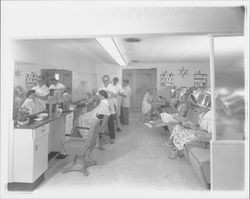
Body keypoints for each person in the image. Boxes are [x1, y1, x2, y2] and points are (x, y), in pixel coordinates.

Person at [97, 75, 116, 144]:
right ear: (102, 80)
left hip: (110, 108)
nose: (105, 81)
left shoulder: (111, 87)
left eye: (106, 80)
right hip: (103, 109)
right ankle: (100, 139)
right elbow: (97, 95)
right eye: (104, 80)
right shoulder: (101, 87)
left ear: (109, 80)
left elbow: (115, 95)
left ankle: (112, 138)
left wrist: (110, 92)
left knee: (111, 123)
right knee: (101, 124)